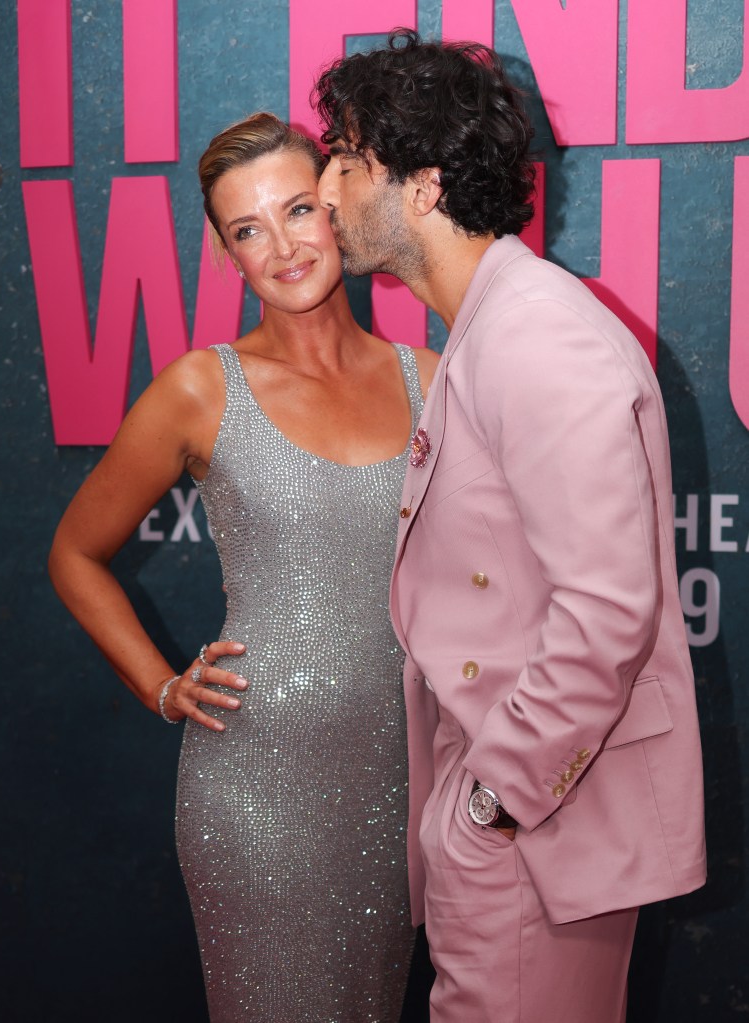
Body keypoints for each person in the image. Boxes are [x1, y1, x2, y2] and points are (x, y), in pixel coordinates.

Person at [313, 29, 707, 1023]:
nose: (325, 193)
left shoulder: (533, 336)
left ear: (424, 184)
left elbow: (608, 610)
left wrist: (493, 804)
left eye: (348, 162)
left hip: (535, 833)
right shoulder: (492, 328)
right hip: (522, 829)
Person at [49, 111, 439, 1023]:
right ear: (227, 255)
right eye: (247, 230)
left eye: (298, 209)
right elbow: (75, 552)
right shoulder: (201, 387)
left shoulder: (431, 378)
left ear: (337, 207)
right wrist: (158, 684)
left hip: (399, 789)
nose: (283, 247)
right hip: (256, 797)